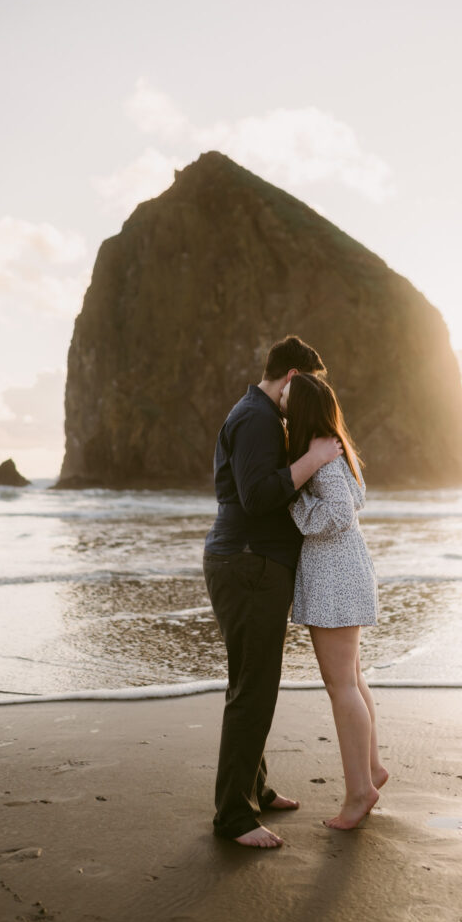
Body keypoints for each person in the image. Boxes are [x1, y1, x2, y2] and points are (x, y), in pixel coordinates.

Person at [203, 336, 342, 849]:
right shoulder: (258, 419)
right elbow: (258, 495)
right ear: (290, 379)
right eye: (305, 386)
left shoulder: (259, 415)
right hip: (248, 566)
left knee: (252, 684)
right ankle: (233, 818)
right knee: (253, 691)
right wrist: (315, 458)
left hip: (248, 565)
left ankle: (253, 790)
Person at [281, 372, 387, 830]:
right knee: (352, 679)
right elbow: (354, 502)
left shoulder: (321, 454)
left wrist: (294, 505)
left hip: (336, 576)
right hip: (343, 570)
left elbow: (340, 513)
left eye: (286, 398)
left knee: (340, 684)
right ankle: (373, 768)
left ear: (301, 407)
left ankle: (360, 791)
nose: (280, 403)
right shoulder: (334, 446)